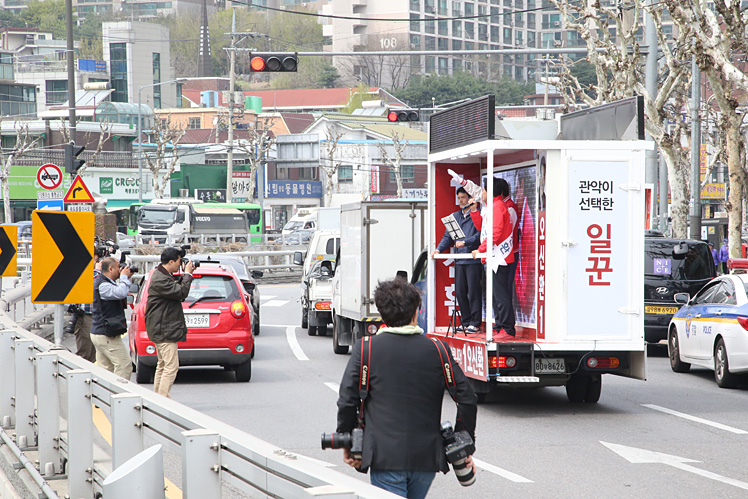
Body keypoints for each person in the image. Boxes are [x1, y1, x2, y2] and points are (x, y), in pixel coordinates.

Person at [336, 279, 477, 499]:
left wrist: (347, 440)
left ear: (382, 314)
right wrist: (464, 442)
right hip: (426, 459)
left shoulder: (365, 350)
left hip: (385, 457)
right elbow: (467, 398)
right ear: (416, 312)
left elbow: (347, 401)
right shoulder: (438, 350)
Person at [144, 247, 194, 398]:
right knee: (171, 366)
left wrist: (184, 276)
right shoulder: (160, 278)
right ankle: (163, 400)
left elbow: (176, 292)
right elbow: (181, 293)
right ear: (171, 261)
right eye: (179, 261)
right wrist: (188, 274)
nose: (180, 264)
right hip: (163, 329)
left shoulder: (163, 275)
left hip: (161, 327)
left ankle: (158, 397)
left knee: (162, 364)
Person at [432, 187, 482, 333]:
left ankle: (475, 323)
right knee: (460, 292)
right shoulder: (455, 216)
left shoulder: (477, 215)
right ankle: (466, 321)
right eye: (459, 198)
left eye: (463, 198)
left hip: (473, 260)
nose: (461, 201)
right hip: (459, 260)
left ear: (470, 198)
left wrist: (466, 242)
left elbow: (480, 235)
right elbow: (448, 237)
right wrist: (438, 250)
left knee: (474, 292)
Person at [472, 178, 515, 341]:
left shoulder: (497, 207)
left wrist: (481, 249)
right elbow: (482, 228)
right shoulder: (492, 207)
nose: (481, 194)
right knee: (495, 294)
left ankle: (507, 329)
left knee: (500, 294)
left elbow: (495, 233)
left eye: (483, 190)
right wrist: (474, 211)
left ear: (490, 191)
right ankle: (499, 327)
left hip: (499, 257)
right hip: (493, 257)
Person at [90, 257, 133, 380]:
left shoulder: (105, 282)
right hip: (105, 334)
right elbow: (120, 293)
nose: (120, 270)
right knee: (124, 365)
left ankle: (105, 397)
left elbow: (119, 291)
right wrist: (124, 278)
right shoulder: (103, 284)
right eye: (118, 267)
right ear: (110, 268)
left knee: (106, 370)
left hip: (101, 332)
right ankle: (119, 396)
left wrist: (126, 278)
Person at [498, 178, 520, 315]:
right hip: (499, 254)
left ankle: (506, 325)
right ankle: (499, 323)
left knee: (504, 290)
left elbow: (506, 232)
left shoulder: (509, 207)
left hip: (508, 254)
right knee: (498, 290)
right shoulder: (499, 206)